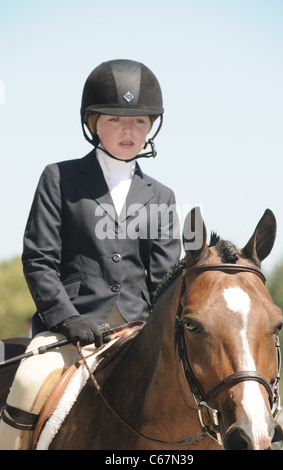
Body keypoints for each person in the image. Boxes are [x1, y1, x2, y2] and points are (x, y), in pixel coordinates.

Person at [0, 59, 181, 449]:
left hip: (139, 335)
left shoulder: (162, 196)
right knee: (28, 381)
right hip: (70, 331)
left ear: (151, 126)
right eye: (115, 120)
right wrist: (68, 318)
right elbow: (39, 259)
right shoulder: (59, 178)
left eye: (139, 121)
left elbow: (166, 279)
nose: (128, 131)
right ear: (93, 123)